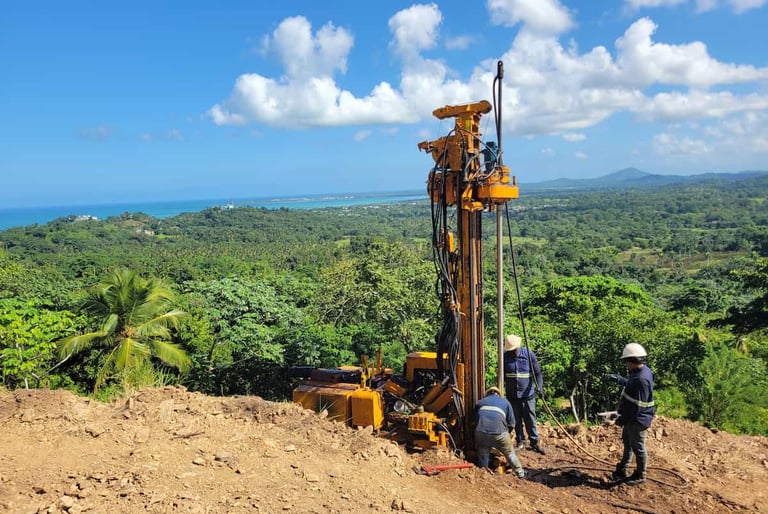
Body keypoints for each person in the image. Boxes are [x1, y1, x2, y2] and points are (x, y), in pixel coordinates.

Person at [607, 343, 655, 486]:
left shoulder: (641, 379)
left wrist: (619, 420)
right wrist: (620, 380)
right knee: (628, 443)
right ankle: (622, 468)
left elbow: (636, 408)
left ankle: (641, 474)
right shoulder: (640, 373)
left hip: (638, 419)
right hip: (633, 418)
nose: (625, 364)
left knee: (638, 446)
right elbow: (631, 386)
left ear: (632, 360)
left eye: (626, 361)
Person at [503, 334, 545, 454]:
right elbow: (502, 376)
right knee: (516, 420)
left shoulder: (528, 354)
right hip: (512, 395)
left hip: (528, 395)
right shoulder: (505, 357)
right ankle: (520, 441)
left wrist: (539, 387)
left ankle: (534, 441)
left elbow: (538, 373)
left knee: (530, 418)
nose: (513, 352)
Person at [473, 387, 526, 478]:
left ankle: (484, 475)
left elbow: (474, 421)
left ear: (487, 394)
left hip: (481, 432)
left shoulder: (480, 402)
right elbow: (512, 423)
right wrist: (506, 434)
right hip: (499, 433)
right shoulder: (505, 402)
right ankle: (520, 473)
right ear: (499, 394)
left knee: (483, 453)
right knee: (510, 453)